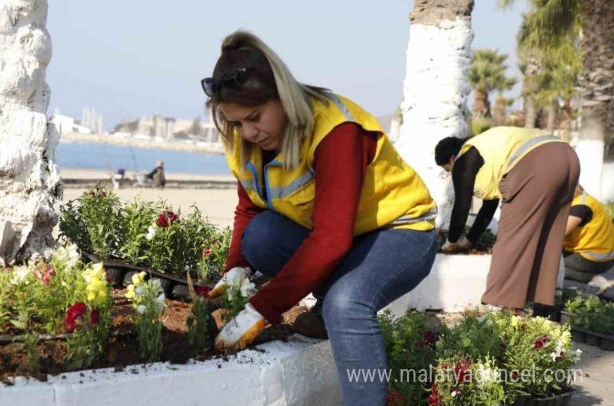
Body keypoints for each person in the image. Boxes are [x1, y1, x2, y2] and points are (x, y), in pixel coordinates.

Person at [202, 30, 438, 406]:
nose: (247, 131)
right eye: (235, 123)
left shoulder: (335, 131)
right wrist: (236, 268)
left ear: (283, 95)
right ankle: (326, 309)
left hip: (402, 232)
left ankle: (335, 316)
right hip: (347, 237)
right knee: (259, 237)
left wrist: (262, 308)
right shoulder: (244, 140)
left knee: (348, 304)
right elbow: (250, 208)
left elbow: (330, 240)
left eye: (255, 117)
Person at [434, 127, 580, 310]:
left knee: (511, 237)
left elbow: (461, 207)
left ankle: (498, 308)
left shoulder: (464, 158)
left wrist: (451, 241)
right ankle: (541, 307)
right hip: (568, 157)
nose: (450, 174)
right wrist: (469, 241)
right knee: (548, 236)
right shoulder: (490, 151)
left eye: (448, 170)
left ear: (451, 158)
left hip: (535, 162)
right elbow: (488, 208)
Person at [562, 185, 614, 283]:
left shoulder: (580, 207)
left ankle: (593, 279)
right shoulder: (581, 199)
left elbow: (559, 233)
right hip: (589, 251)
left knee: (549, 264)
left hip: (596, 257)